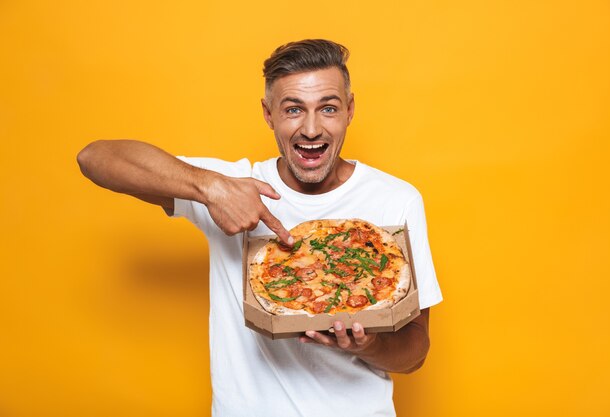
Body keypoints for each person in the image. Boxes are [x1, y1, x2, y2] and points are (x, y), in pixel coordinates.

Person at [77, 39, 442, 417]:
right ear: (268, 114)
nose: (312, 129)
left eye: (328, 108)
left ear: (350, 110)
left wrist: (366, 346)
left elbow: (415, 352)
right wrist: (211, 187)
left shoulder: (395, 199)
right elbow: (95, 158)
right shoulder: (235, 184)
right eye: (293, 109)